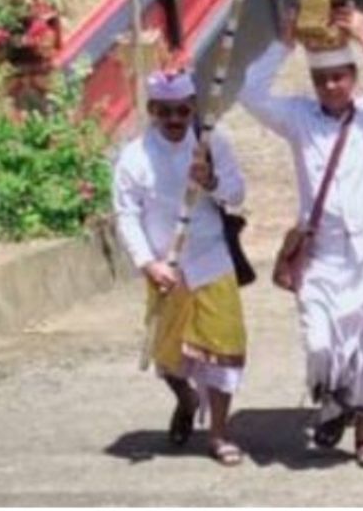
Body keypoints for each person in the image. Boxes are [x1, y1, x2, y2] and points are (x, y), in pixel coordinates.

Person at [237, 5, 363, 468]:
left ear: (353, 77)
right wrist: (283, 43)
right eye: (323, 80)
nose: (331, 87)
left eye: (340, 78)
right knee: (322, 343)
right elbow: (250, 93)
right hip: (324, 254)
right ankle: (334, 400)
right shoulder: (298, 117)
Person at [113, 69, 248, 466]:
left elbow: (237, 193)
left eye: (182, 111)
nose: (174, 120)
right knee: (167, 358)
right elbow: (126, 214)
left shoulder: (212, 144)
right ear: (153, 110)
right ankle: (187, 399)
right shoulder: (134, 157)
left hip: (211, 261)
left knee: (226, 350)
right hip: (165, 268)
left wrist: (211, 181)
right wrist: (147, 263)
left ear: (192, 108)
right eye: (166, 112)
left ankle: (219, 435)